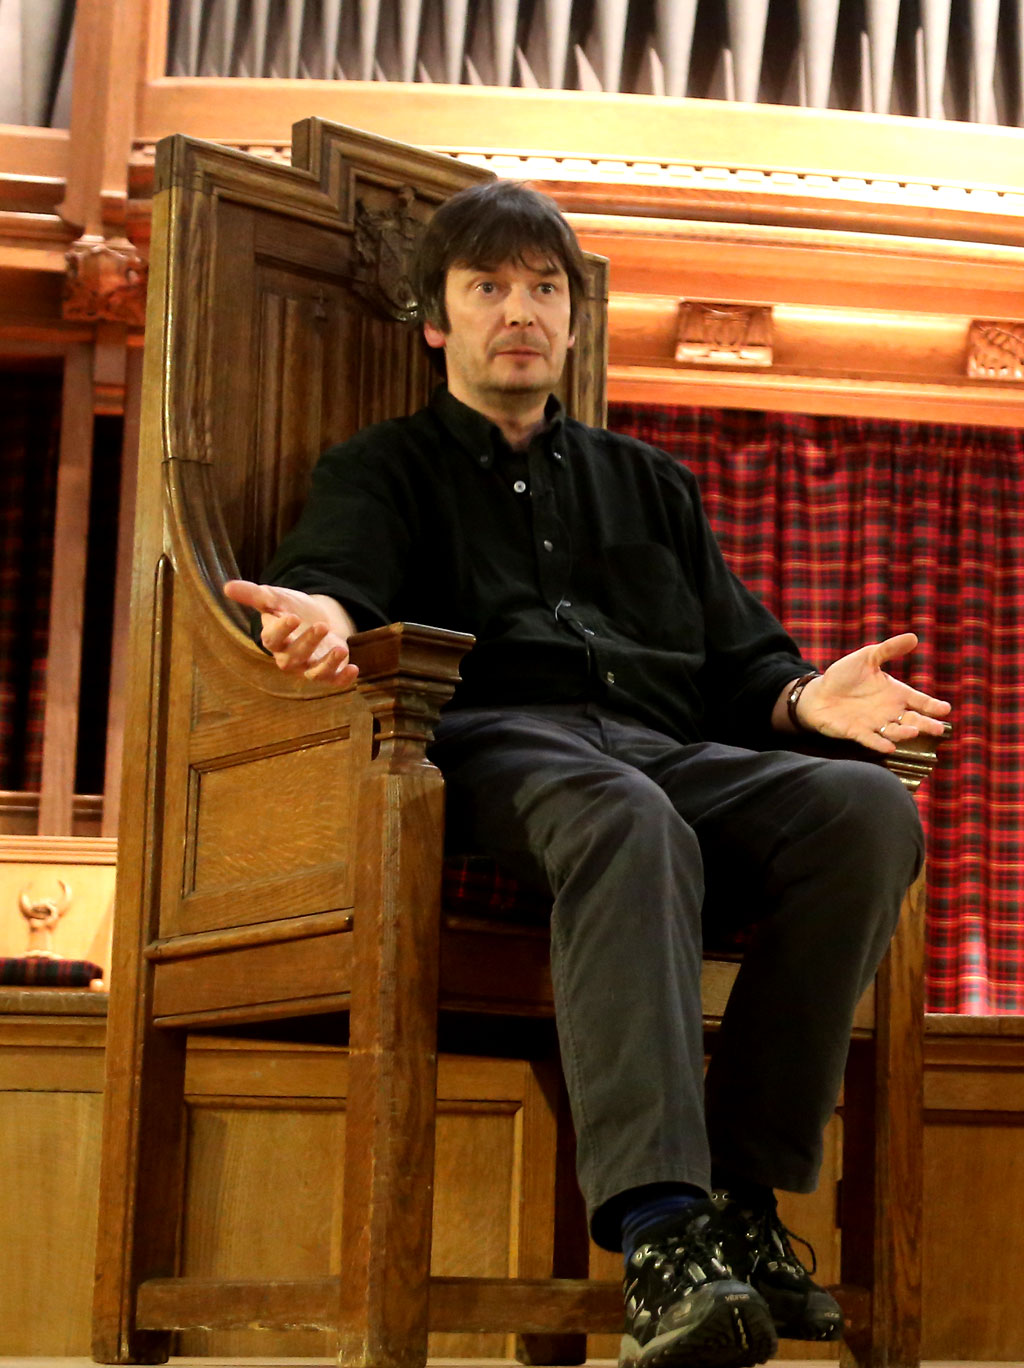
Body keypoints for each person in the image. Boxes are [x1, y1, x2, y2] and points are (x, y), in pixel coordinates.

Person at [225, 180, 951, 1368]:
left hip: (668, 746)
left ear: (572, 322)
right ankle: (663, 1234)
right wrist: (314, 614)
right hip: (501, 740)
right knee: (628, 817)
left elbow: (743, 663)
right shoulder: (384, 468)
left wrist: (800, 699)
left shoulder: (650, 482)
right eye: (488, 287)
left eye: (543, 289)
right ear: (438, 322)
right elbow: (336, 583)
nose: (518, 310)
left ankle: (746, 1204)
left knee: (864, 810)